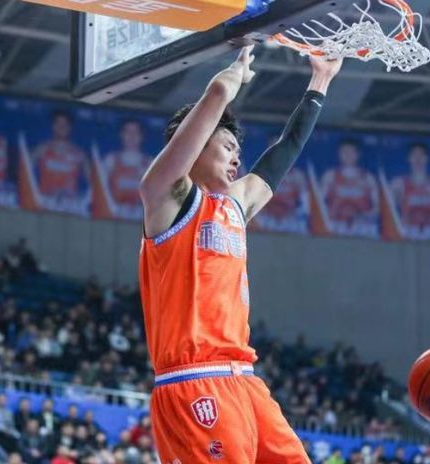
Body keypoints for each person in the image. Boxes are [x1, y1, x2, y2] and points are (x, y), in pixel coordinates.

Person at [139, 45, 342, 463]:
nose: (237, 156)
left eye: (238, 150)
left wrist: (320, 81)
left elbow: (285, 148)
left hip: (245, 379)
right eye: (227, 145)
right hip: (195, 381)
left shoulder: (235, 204)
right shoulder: (167, 200)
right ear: (197, 143)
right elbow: (206, 113)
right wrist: (224, 87)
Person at [320, 140, 379, 231]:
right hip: (334, 225)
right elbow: (319, 204)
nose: (348, 155)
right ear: (339, 154)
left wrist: (365, 218)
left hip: (362, 227)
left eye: (351, 152)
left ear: (358, 154)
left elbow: (377, 207)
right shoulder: (330, 176)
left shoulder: (368, 178)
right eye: (345, 152)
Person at [391, 144, 430, 229]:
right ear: (409, 158)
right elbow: (389, 214)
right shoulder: (398, 184)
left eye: (421, 155)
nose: (418, 158)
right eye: (414, 155)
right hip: (407, 232)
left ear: (427, 158)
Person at [32, 110, 88, 197]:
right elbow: (24, 175)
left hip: (70, 202)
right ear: (53, 126)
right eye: (58, 123)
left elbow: (94, 184)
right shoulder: (40, 150)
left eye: (65, 124)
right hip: (44, 200)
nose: (61, 127)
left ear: (70, 127)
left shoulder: (80, 155)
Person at [104, 119, 151, 207]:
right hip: (114, 212)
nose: (131, 136)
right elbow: (99, 189)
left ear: (141, 136)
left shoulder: (150, 163)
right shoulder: (110, 160)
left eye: (136, 132)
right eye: (128, 132)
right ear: (121, 135)